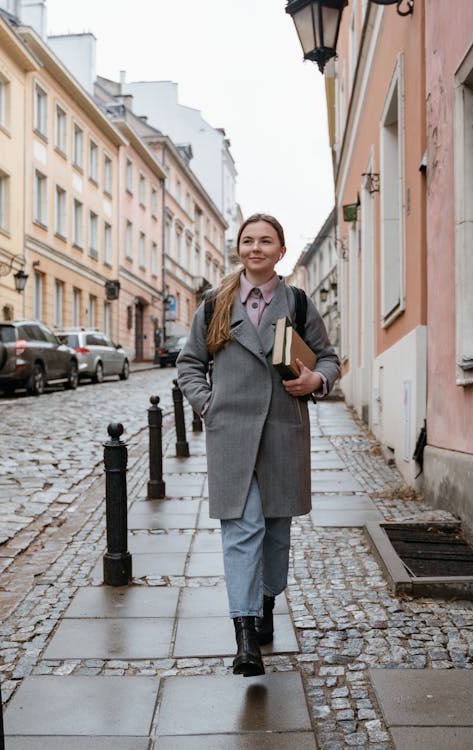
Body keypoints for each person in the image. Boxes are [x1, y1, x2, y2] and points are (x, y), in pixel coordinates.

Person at [176, 213, 341, 676]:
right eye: (248, 240)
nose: (255, 248)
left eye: (265, 241)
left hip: (282, 431)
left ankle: (266, 601)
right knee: (241, 529)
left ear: (280, 251)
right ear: (239, 249)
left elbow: (329, 359)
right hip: (232, 436)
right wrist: (210, 405)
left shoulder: (299, 304)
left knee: (275, 532)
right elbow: (189, 365)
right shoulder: (214, 304)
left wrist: (315, 380)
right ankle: (245, 634)